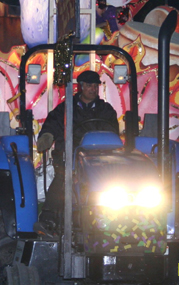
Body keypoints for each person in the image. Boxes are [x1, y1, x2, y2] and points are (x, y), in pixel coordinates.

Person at [35, 70, 119, 233]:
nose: (92, 89)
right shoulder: (65, 109)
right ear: (80, 87)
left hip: (98, 160)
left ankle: (112, 218)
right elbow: (53, 124)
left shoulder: (106, 111)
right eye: (89, 85)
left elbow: (112, 134)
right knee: (63, 179)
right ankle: (48, 218)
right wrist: (47, 135)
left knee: (112, 181)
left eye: (95, 85)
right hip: (69, 158)